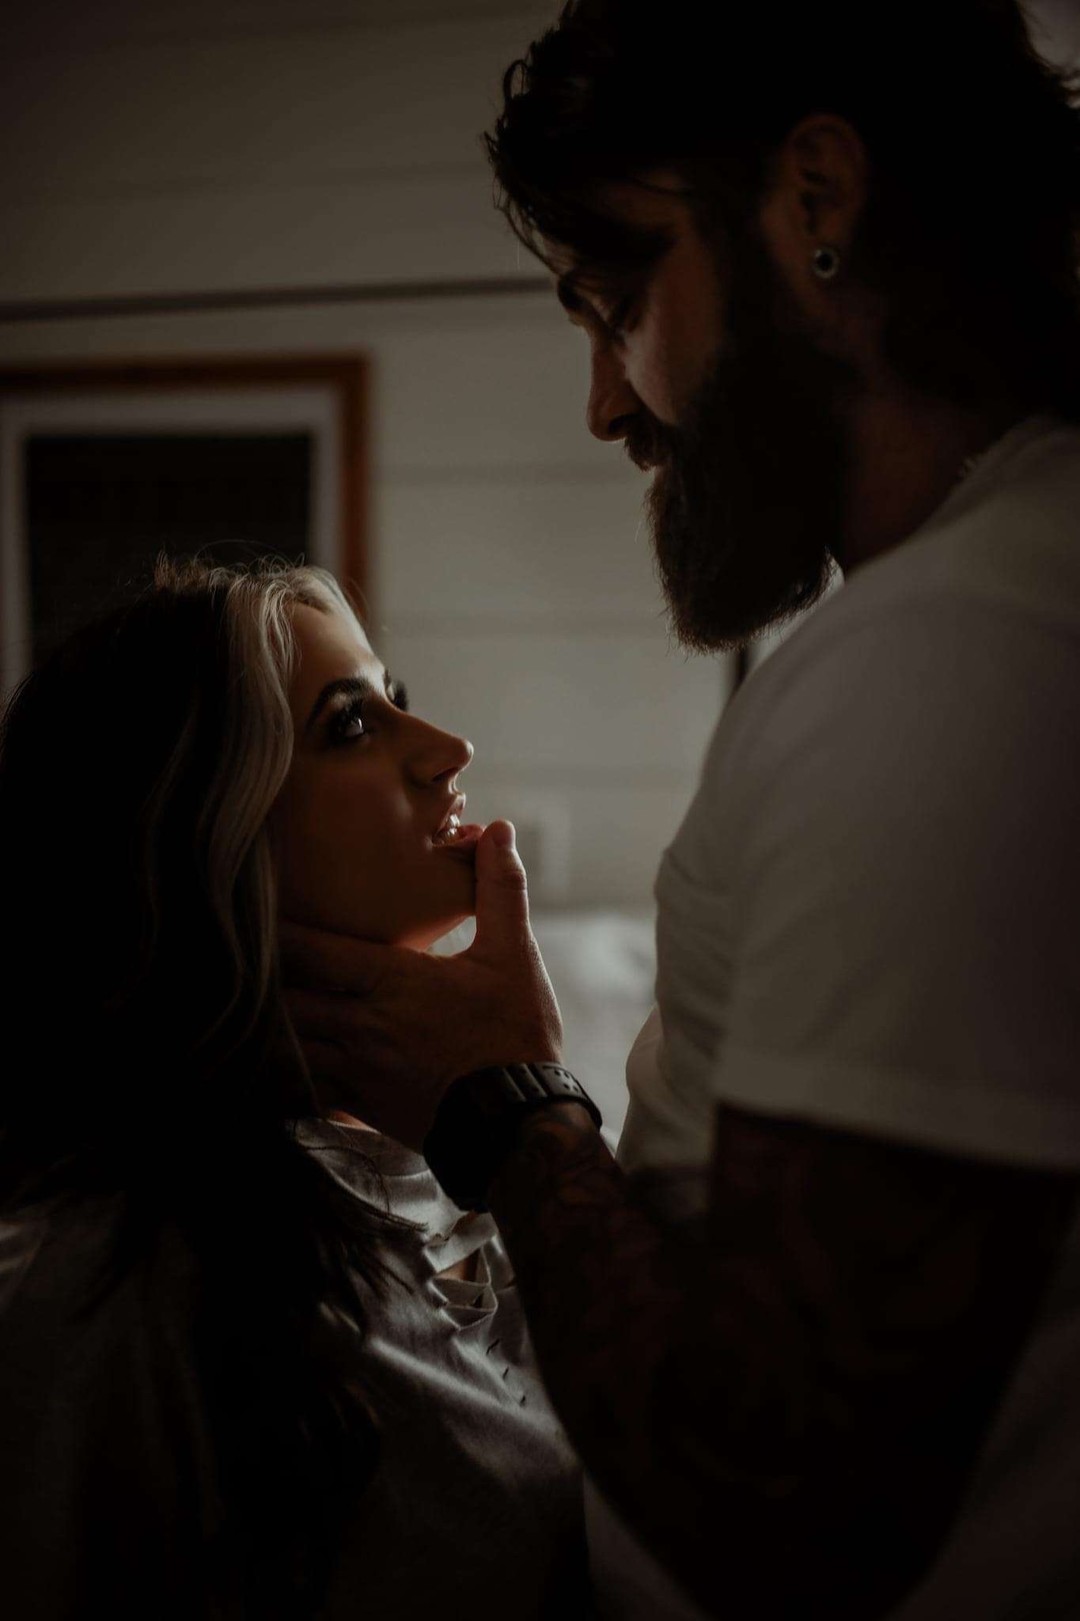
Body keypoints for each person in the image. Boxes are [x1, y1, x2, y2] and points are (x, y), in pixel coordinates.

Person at [280, 2, 1080, 1617]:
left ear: (816, 200)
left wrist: (507, 1107)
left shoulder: (941, 653)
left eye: (620, 298)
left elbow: (793, 1511)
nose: (606, 400)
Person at [0, 558, 587, 1620]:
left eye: (394, 698)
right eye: (350, 725)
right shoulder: (104, 1292)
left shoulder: (449, 1158)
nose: (450, 748)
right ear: (205, 841)